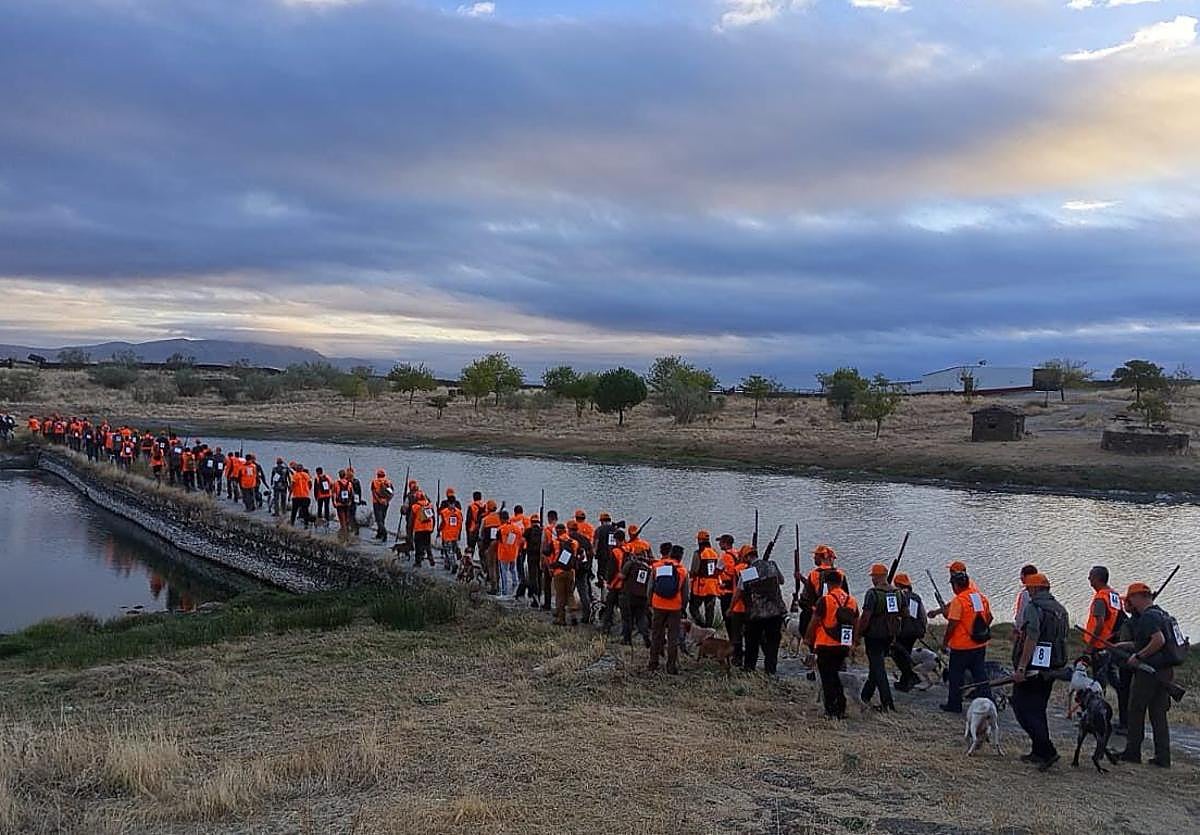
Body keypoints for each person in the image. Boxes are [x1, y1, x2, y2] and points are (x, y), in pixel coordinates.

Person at [1011, 573, 1069, 770]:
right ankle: (1038, 751)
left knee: (1021, 707)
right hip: (1052, 667)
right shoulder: (1060, 609)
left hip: (1033, 667)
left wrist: (1021, 667)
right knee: (1038, 708)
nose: (1028, 591)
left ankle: (1047, 750)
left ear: (1035, 589)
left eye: (1029, 588)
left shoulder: (1034, 607)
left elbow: (1031, 637)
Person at [1117, 582, 1177, 768]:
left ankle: (1132, 752)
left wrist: (1138, 657)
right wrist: (1125, 646)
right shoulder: (1162, 614)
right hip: (1165, 671)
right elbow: (1148, 641)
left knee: (1136, 709)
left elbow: (1158, 641)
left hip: (1148, 671)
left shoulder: (1147, 617)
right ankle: (1163, 757)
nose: (1129, 603)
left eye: (1130, 598)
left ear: (1138, 597)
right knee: (1158, 714)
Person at [805, 568, 858, 719]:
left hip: (825, 645)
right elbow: (856, 622)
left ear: (828, 584)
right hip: (843, 645)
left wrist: (808, 637)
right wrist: (854, 642)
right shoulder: (851, 601)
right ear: (841, 583)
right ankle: (841, 707)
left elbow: (814, 621)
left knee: (827, 678)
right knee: (836, 675)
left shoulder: (825, 600)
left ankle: (831, 711)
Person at [939, 567, 993, 713]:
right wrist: (980, 631)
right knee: (980, 674)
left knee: (956, 676)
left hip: (961, 647)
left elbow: (952, 624)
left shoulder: (959, 601)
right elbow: (989, 617)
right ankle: (989, 701)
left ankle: (954, 704)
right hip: (979, 644)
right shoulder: (980, 597)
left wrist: (945, 643)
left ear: (955, 585)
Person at [1083, 565, 1128, 729]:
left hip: (1099, 645)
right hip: (1110, 645)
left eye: (1091, 576)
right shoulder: (1113, 595)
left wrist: (1090, 646)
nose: (1089, 579)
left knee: (1099, 683)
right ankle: (1123, 718)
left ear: (1097, 578)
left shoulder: (1100, 598)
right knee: (1114, 681)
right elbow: (1120, 620)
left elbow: (1100, 624)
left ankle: (1097, 717)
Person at [737, 541, 788, 675]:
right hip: (776, 612)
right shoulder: (772, 565)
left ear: (747, 557)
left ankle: (749, 669)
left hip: (757, 614)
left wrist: (731, 608)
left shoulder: (749, 572)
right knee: (773, 643)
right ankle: (770, 671)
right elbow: (782, 581)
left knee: (752, 642)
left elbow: (740, 591)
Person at [857, 563, 900, 711]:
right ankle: (865, 695)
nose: (872, 579)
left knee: (879, 668)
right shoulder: (897, 592)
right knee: (875, 666)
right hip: (889, 635)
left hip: (874, 635)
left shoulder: (872, 593)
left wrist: (858, 634)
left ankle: (887, 703)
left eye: (873, 576)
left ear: (876, 577)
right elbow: (905, 613)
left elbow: (865, 618)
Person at [648, 542, 688, 674]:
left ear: (670, 554)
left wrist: (650, 603)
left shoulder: (657, 566)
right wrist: (683, 608)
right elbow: (685, 594)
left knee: (656, 634)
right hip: (675, 607)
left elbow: (650, 587)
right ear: (681, 557)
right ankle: (671, 666)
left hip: (658, 605)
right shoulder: (682, 571)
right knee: (673, 637)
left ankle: (653, 663)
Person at [890, 573, 927, 692]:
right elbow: (922, 615)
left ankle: (911, 677)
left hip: (902, 631)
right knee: (905, 654)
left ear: (897, 584)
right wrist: (923, 629)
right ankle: (905, 681)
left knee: (897, 654)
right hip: (915, 631)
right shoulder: (915, 597)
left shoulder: (898, 596)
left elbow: (894, 615)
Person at [617, 530, 651, 647]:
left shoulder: (631, 563)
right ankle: (646, 637)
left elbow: (621, 576)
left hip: (629, 595)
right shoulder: (649, 568)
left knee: (627, 618)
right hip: (643, 597)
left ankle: (627, 640)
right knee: (641, 618)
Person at [688, 530, 722, 628]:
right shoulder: (715, 552)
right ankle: (710, 629)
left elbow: (694, 570)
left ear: (700, 540)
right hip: (713, 586)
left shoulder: (698, 553)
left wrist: (689, 574)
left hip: (700, 587)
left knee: (693, 608)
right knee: (710, 610)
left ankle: (701, 626)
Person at [548, 523, 579, 626]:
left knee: (560, 596)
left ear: (557, 531)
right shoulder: (574, 543)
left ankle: (561, 619)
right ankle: (573, 615)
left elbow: (546, 552)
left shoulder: (554, 542)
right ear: (565, 531)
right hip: (571, 572)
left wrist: (550, 566)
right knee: (570, 593)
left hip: (558, 572)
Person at [567, 519, 595, 623]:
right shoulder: (585, 539)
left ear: (569, 529)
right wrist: (589, 568)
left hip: (572, 569)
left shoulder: (569, 540)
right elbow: (591, 554)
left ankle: (570, 614)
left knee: (568, 592)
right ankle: (587, 614)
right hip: (584, 569)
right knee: (583, 592)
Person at [495, 510, 522, 595]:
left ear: (501, 519)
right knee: (513, 571)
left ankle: (504, 591)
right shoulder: (517, 528)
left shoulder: (500, 529)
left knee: (504, 573)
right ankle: (515, 587)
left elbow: (497, 540)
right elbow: (520, 540)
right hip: (513, 553)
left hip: (503, 554)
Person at [438, 498, 464, 571]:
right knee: (449, 550)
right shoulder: (458, 512)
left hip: (448, 535)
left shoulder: (444, 512)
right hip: (454, 535)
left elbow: (443, 523)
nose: (452, 505)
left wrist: (439, 529)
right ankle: (447, 564)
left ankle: (453, 564)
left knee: (449, 551)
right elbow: (460, 524)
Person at [370, 469, 394, 541]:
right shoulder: (388, 482)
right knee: (383, 518)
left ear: (377, 475)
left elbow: (374, 493)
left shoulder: (374, 482)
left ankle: (384, 533)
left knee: (379, 520)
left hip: (377, 503)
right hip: (385, 503)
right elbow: (391, 493)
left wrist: (379, 500)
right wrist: (387, 500)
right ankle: (379, 534)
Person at [333, 469, 355, 536]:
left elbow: (334, 493)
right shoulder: (349, 483)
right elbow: (352, 494)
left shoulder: (336, 483)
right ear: (345, 475)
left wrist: (334, 502)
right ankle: (347, 531)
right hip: (347, 503)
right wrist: (350, 501)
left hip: (339, 504)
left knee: (342, 519)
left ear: (339, 476)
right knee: (346, 518)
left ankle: (344, 532)